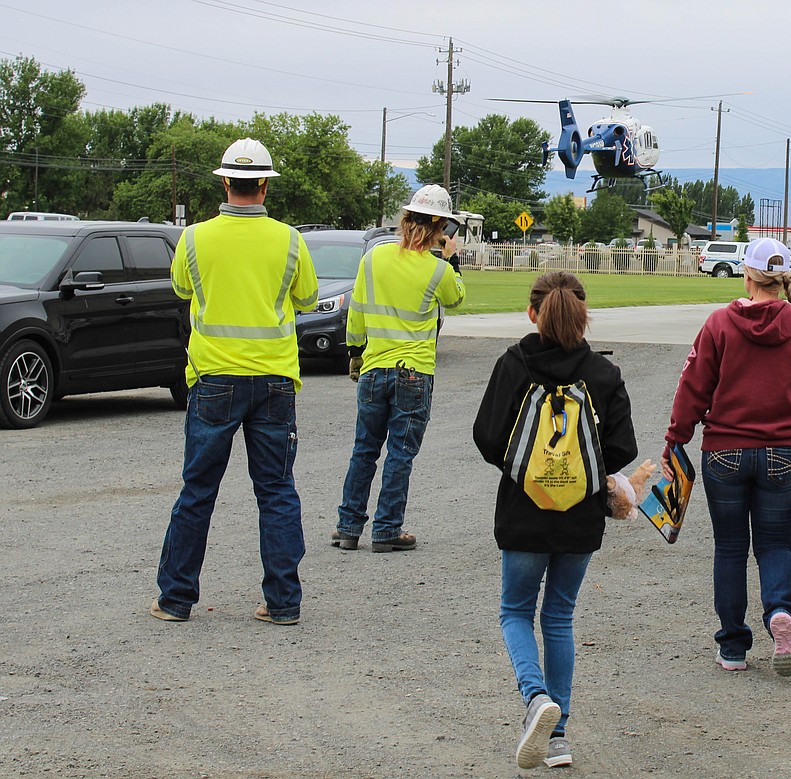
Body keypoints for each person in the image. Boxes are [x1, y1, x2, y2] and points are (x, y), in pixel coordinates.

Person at [152, 138, 319, 626]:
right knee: (276, 491)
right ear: (265, 185)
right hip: (273, 380)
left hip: (213, 379)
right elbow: (307, 298)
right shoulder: (290, 240)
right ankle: (284, 601)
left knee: (198, 491)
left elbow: (183, 288)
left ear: (225, 182)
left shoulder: (194, 238)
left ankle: (175, 599)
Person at [473, 272, 636, 769]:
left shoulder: (513, 364)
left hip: (524, 510)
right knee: (559, 616)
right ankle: (558, 734)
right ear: (585, 316)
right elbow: (621, 449)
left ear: (531, 314)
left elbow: (486, 436)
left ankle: (534, 697)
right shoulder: (604, 375)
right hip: (580, 517)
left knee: (515, 611)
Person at [663, 238, 791, 676]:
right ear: (785, 281)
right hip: (783, 454)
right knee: (775, 545)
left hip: (724, 452)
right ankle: (781, 613)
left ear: (747, 276)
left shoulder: (719, 324)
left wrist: (675, 439)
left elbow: (693, 386)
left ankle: (733, 647)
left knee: (729, 548)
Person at [331, 185, 466, 552]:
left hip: (374, 366)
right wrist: (451, 258)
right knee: (400, 453)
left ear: (405, 220)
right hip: (414, 372)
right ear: (441, 228)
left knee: (364, 449)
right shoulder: (437, 270)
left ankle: (348, 525)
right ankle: (387, 528)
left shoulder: (373, 259)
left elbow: (356, 310)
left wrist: (356, 352)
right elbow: (455, 299)